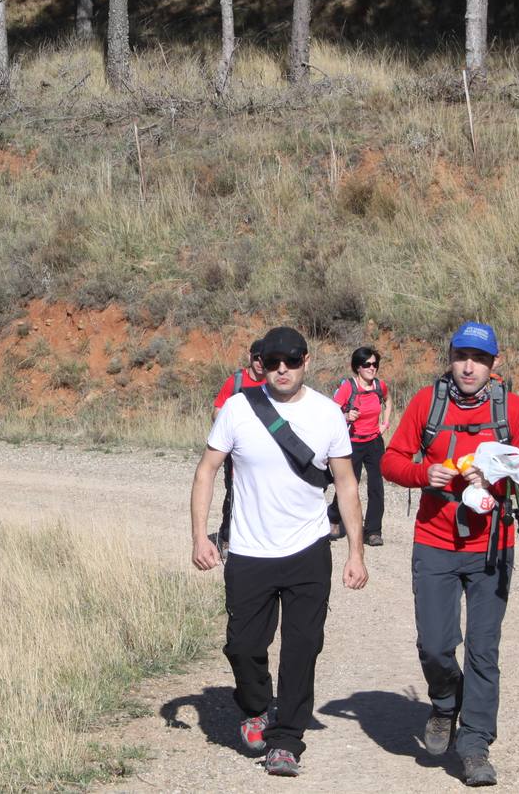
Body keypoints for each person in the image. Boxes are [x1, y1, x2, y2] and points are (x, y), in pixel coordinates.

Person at [191, 326, 368, 778]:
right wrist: (199, 536)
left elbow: (346, 483)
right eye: (273, 362)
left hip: (308, 550)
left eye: (291, 360)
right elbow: (207, 471)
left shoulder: (328, 413)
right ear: (261, 365)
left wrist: (356, 551)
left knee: (302, 647)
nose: (282, 369)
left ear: (306, 361)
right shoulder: (237, 408)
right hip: (249, 551)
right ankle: (256, 706)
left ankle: (286, 740)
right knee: (243, 645)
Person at [380, 322, 519, 787]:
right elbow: (391, 461)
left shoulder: (512, 409)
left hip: (493, 544)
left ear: (495, 363)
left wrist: (493, 479)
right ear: (450, 358)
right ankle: (445, 703)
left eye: (480, 359)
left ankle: (474, 746)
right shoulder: (428, 404)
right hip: (435, 541)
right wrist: (425, 473)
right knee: (435, 645)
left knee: (483, 651)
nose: (470, 367)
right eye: (462, 356)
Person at [327, 346, 393, 546]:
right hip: (352, 443)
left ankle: (373, 531)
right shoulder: (348, 387)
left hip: (374, 442)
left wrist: (385, 424)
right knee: (348, 485)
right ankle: (336, 517)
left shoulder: (380, 386)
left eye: (375, 364)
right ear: (357, 367)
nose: (372, 368)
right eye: (367, 364)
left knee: (376, 487)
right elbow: (331, 410)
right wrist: (346, 416)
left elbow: (388, 401)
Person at [209, 338, 267, 557]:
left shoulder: (273, 382)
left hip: (264, 450)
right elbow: (217, 411)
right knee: (233, 494)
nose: (260, 362)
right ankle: (227, 537)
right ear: (249, 356)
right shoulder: (236, 381)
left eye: (265, 358)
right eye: (256, 357)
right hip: (236, 451)